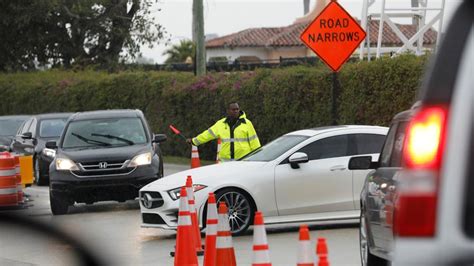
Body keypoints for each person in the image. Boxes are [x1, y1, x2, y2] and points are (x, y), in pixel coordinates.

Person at [186, 102, 261, 162]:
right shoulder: (220, 124)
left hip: (242, 161)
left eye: (237, 109)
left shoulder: (247, 123)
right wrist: (194, 141)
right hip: (225, 163)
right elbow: (207, 134)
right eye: (233, 109)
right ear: (228, 111)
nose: (235, 111)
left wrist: (258, 158)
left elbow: (254, 142)